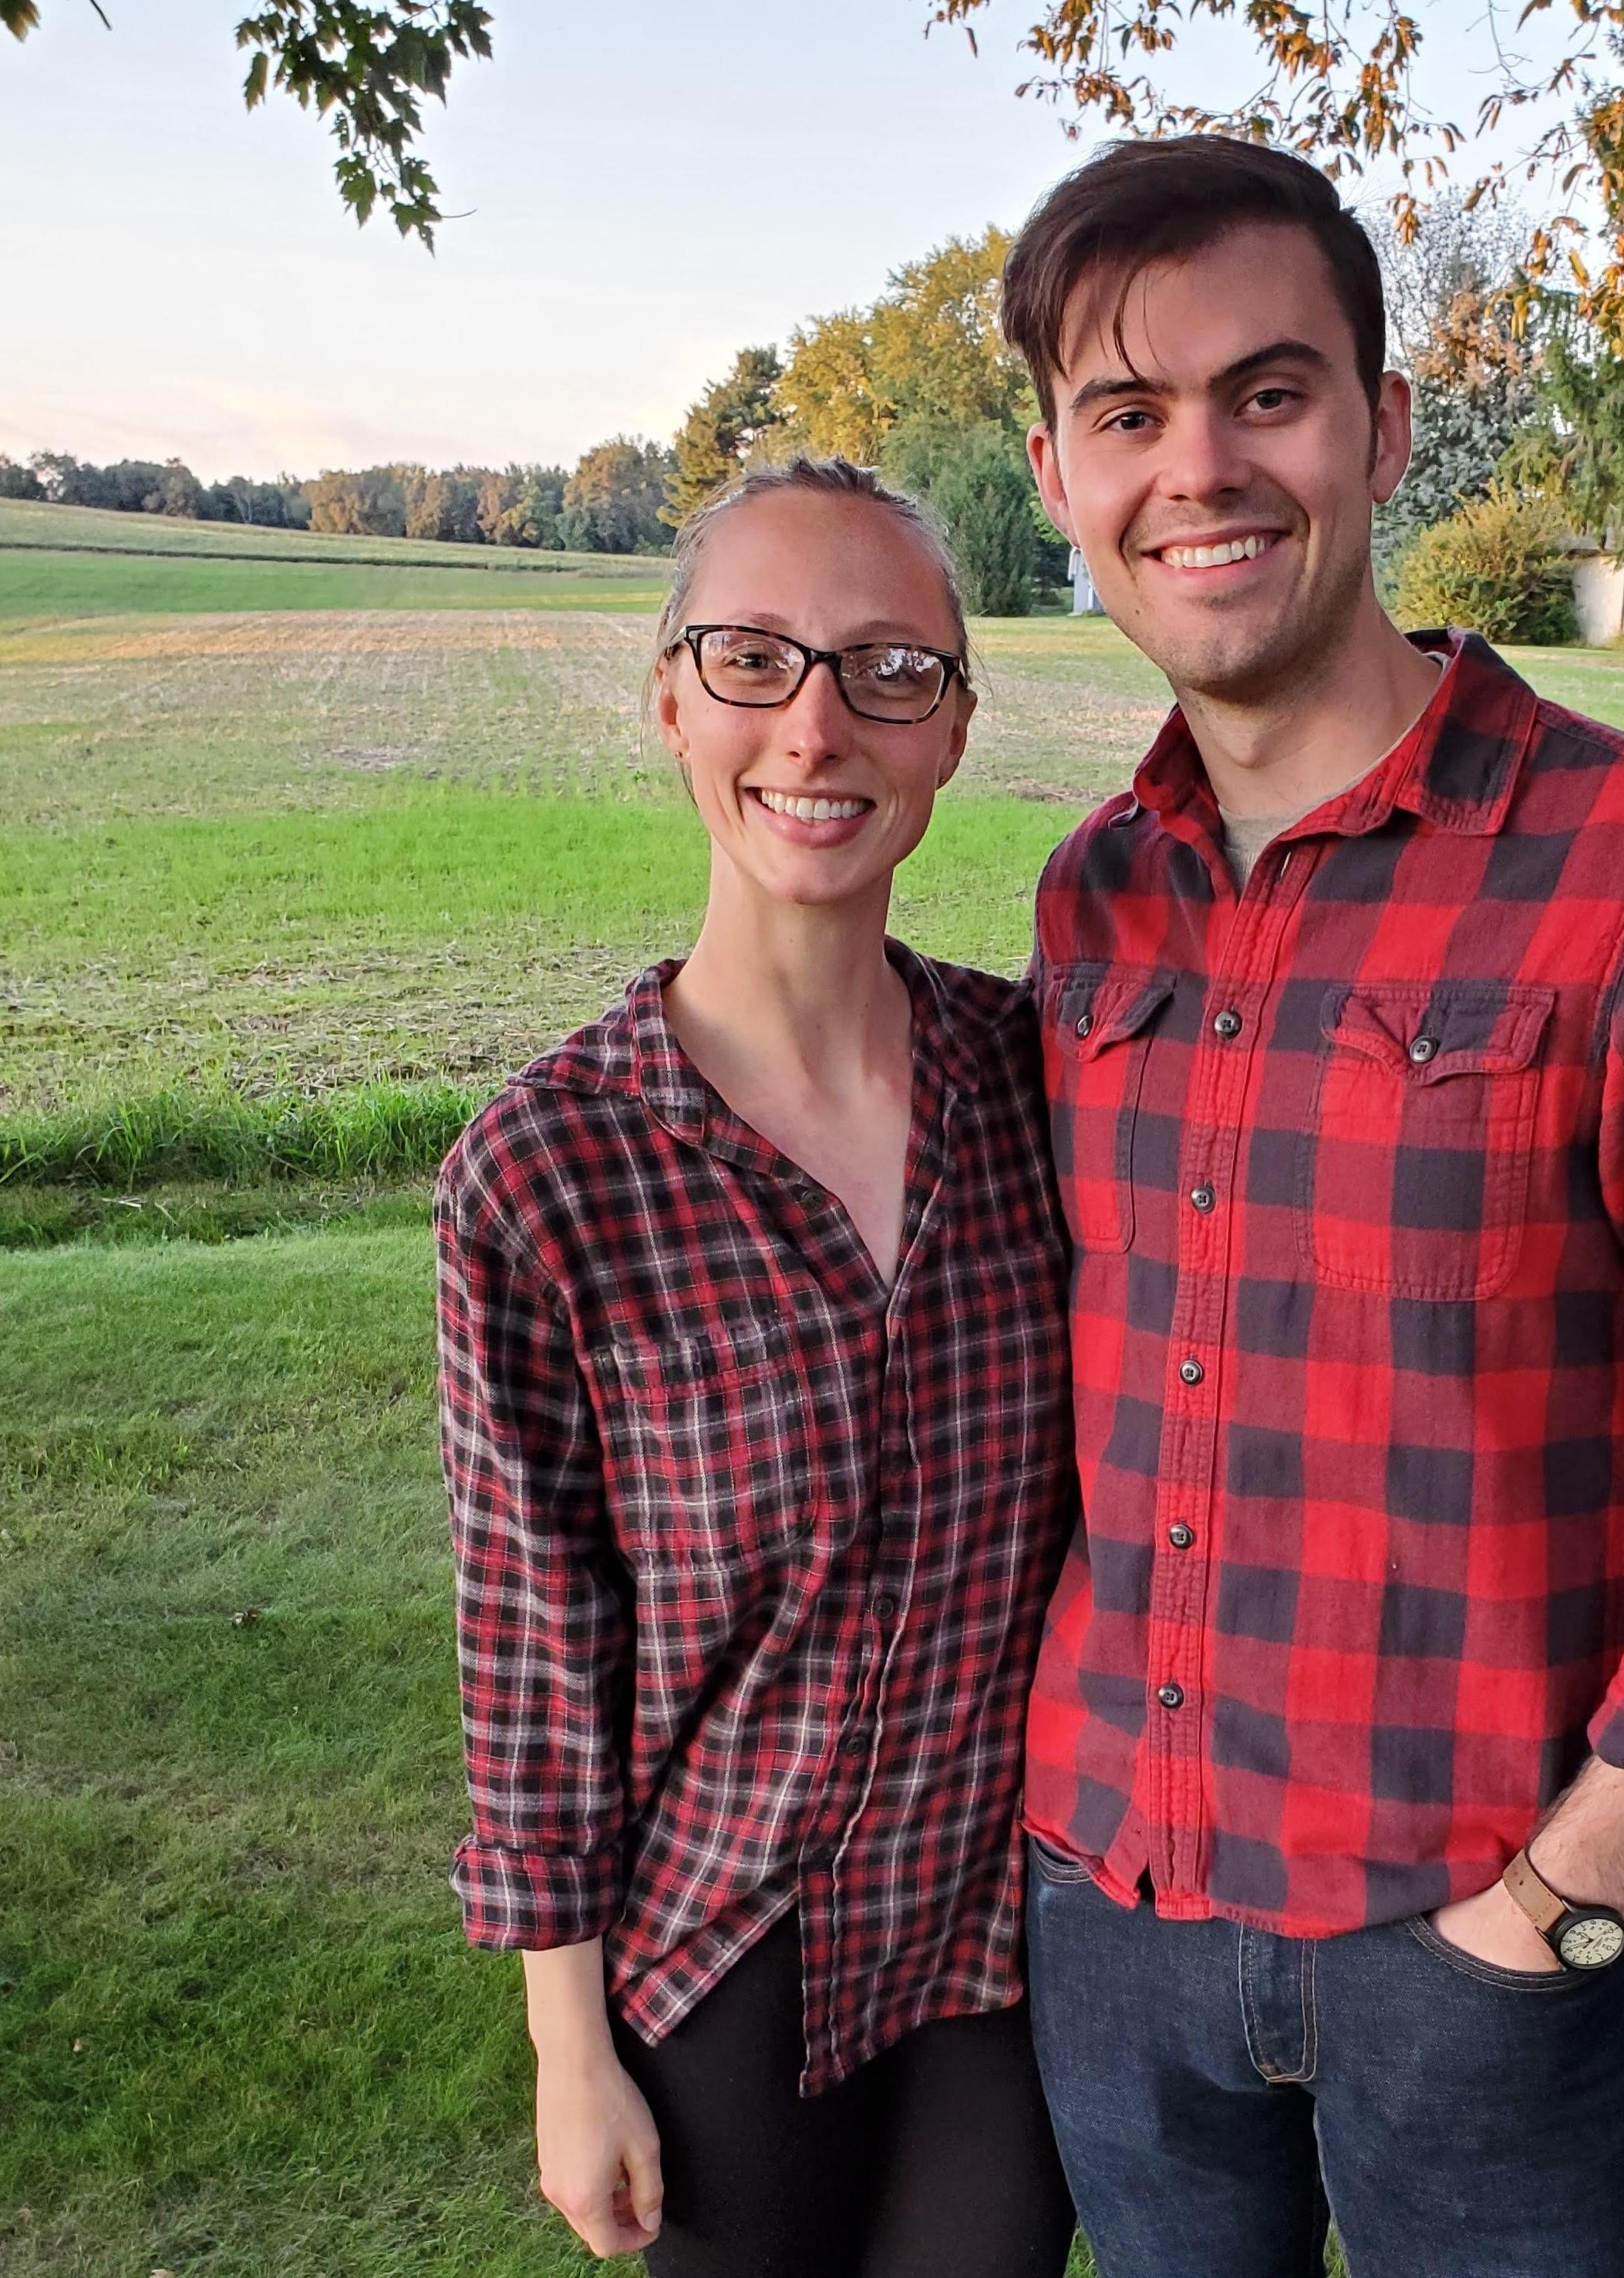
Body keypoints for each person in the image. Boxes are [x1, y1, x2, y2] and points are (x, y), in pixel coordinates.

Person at [1002, 136, 1624, 2277]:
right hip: (1113, 1913)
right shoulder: (1093, 897)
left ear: (1385, 427)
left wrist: (1566, 1892)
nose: (1197, 467)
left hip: (1475, 1942)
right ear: (1057, 475)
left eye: (1268, 391)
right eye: (1127, 416)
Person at [433, 457, 1078, 2278]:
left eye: (888, 669)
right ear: (667, 700)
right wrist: (571, 2049)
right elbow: (537, 1655)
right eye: (754, 658)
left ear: (950, 731)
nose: (818, 722)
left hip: (999, 1930)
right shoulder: (548, 1175)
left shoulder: (1042, 1090)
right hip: (724, 1938)